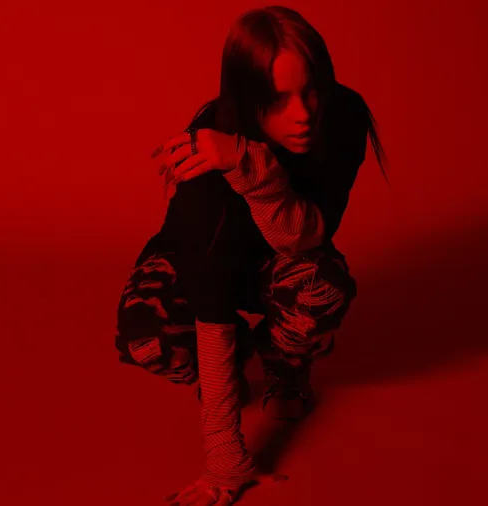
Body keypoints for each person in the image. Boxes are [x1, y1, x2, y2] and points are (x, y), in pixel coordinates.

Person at [114, 6, 387, 505]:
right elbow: (210, 295)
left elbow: (307, 234)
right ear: (246, 98)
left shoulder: (342, 115)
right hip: (202, 263)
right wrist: (224, 453)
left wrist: (255, 169)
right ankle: (226, 366)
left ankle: (284, 363)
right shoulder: (204, 156)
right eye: (278, 99)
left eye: (311, 90)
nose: (303, 114)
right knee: (145, 336)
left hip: (282, 255)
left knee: (320, 289)